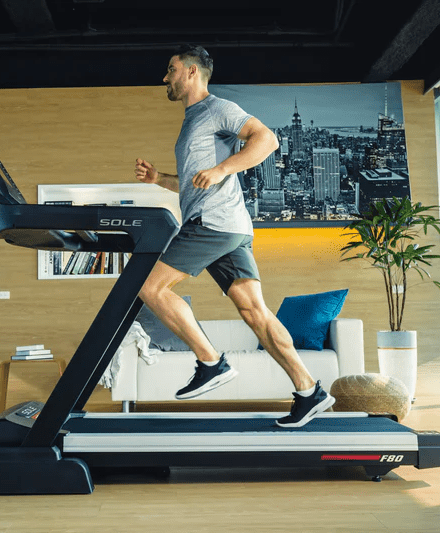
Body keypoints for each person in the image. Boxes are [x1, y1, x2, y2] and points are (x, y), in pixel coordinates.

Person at [134, 44, 335, 428]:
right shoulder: (194, 120)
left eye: (171, 69)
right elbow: (196, 185)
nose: (166, 76)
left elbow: (267, 139)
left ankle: (211, 362)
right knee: (254, 312)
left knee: (151, 288)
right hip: (231, 226)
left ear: (192, 72)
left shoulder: (216, 108)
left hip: (213, 223)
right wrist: (160, 179)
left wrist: (224, 168)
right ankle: (310, 391)